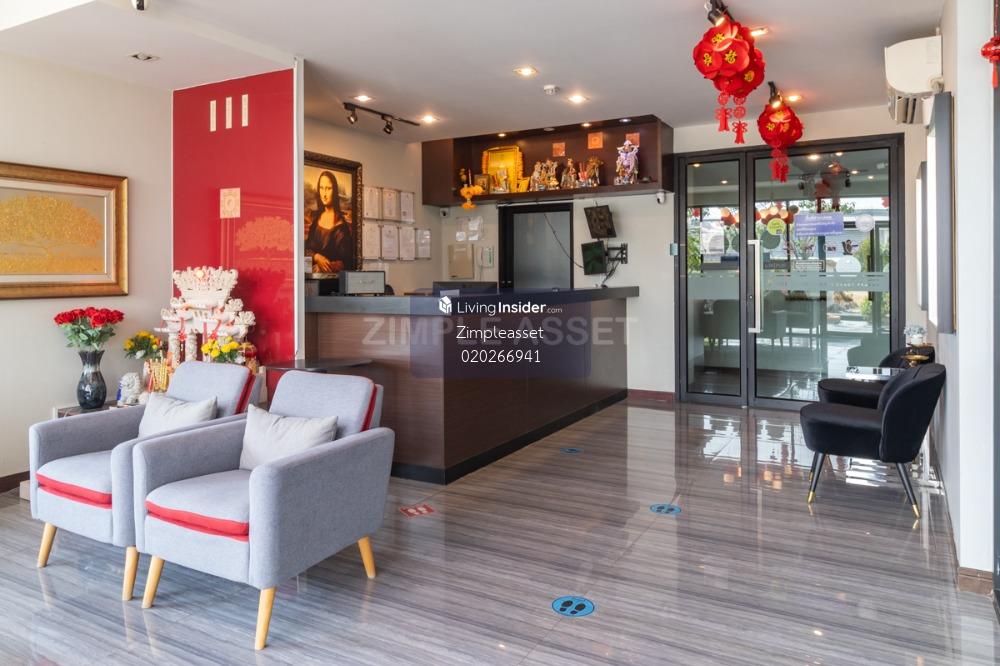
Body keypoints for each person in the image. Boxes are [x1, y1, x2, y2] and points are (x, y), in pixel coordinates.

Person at [306, 170, 355, 273]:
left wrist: (325, 267)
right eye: (321, 188)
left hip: (333, 280)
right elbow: (304, 250)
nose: (324, 193)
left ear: (335, 190)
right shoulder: (314, 218)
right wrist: (316, 257)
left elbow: (346, 262)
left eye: (328, 188)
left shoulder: (342, 227)